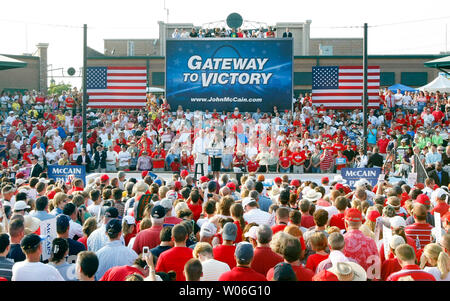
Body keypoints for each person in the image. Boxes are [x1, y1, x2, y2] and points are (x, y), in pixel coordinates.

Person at [342, 208, 380, 279]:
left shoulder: (341, 240)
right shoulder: (370, 241)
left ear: (346, 223)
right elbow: (376, 267)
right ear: (360, 223)